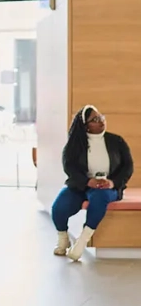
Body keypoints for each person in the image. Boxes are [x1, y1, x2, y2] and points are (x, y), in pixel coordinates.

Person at [51, 105, 134, 260]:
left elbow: (128, 167)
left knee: (99, 198)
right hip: (81, 185)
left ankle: (82, 241)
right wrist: (88, 182)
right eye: (95, 119)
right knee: (59, 207)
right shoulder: (75, 145)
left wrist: (112, 182)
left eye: (101, 117)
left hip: (107, 186)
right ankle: (63, 238)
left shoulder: (116, 141)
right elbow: (69, 167)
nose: (101, 121)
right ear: (86, 126)